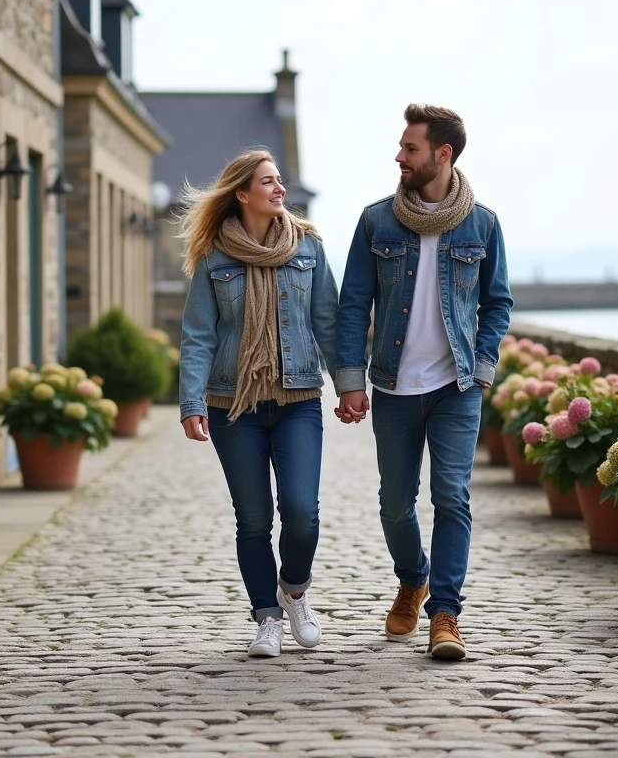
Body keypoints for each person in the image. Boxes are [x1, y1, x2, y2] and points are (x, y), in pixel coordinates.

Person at [334, 104, 513, 660]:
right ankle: (413, 578)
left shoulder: (481, 223)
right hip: (392, 386)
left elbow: (498, 303)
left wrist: (482, 369)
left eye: (410, 148)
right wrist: (349, 381)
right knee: (394, 504)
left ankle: (445, 615)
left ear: (443, 154)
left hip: (455, 388)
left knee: (452, 497)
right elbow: (352, 304)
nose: (399, 157)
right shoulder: (376, 221)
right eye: (401, 147)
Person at [178, 149, 340, 658]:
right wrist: (191, 401)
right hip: (233, 405)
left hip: (297, 399)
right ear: (242, 193)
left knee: (301, 512)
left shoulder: (308, 248)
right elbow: (199, 336)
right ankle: (266, 619)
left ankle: (294, 593)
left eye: (279, 180)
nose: (279, 190)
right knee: (252, 520)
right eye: (267, 182)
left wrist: (351, 384)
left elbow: (328, 322)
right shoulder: (213, 256)